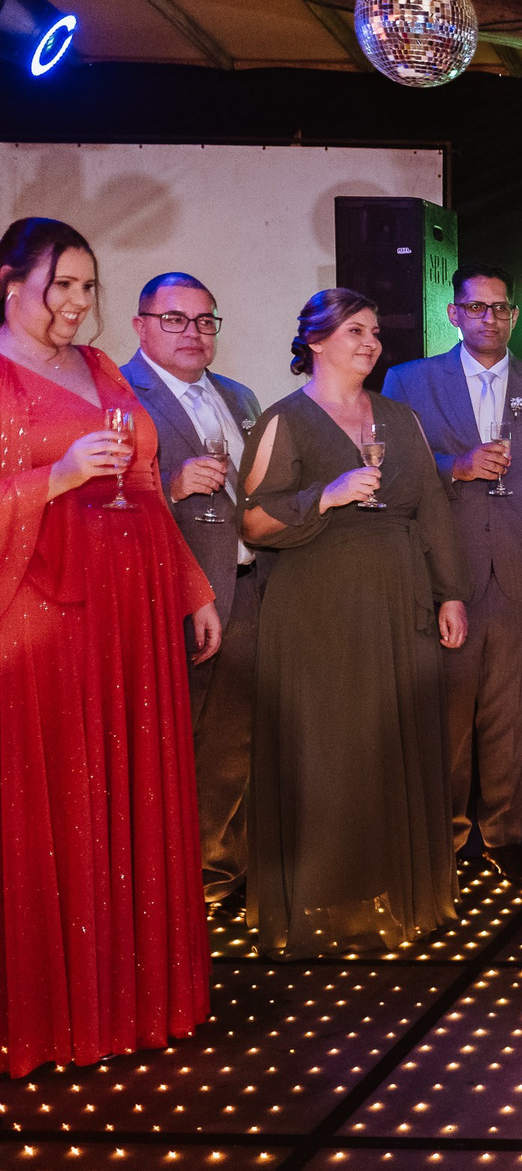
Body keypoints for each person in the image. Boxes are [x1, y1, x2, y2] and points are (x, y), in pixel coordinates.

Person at [0, 217, 216, 1077]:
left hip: (131, 613)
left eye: (87, 287)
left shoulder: (99, 367)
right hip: (43, 615)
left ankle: (134, 998)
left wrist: (194, 590)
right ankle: (55, 1010)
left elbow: (147, 487)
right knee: (59, 798)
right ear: (10, 284)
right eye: (61, 285)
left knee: (129, 791)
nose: (77, 302)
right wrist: (54, 478)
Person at [241, 289, 470, 958]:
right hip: (317, 609)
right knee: (329, 751)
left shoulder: (401, 417)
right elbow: (251, 522)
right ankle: (324, 902)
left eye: (374, 331)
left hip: (399, 602)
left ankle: (390, 893)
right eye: (354, 331)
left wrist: (451, 593)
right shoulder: (285, 420)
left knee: (392, 743)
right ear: (315, 342)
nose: (370, 343)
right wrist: (326, 495)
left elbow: (433, 509)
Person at [383, 265, 522, 883]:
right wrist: (455, 467)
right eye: (476, 307)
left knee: (511, 716)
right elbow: (389, 469)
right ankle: (443, 837)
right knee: (446, 717)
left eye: (501, 308)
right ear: (454, 313)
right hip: (445, 575)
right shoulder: (409, 381)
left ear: (515, 314)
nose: (489, 317)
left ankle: (503, 833)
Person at [121, 271, 265, 911]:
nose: (193, 332)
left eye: (205, 320)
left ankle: (217, 869)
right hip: (173, 595)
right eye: (175, 319)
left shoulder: (239, 395)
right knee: (171, 743)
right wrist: (169, 486)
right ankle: (165, 877)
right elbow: (100, 502)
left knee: (235, 739)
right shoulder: (120, 395)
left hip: (250, 585)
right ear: (140, 325)